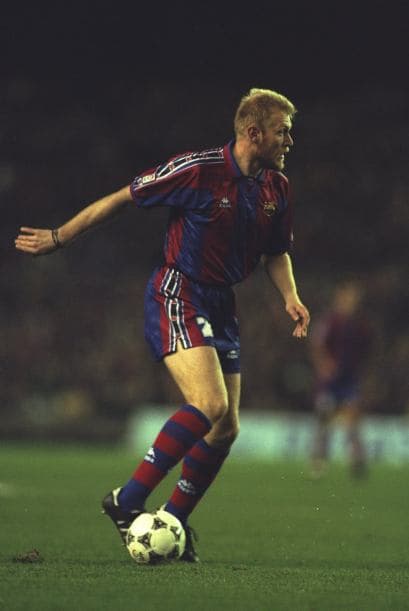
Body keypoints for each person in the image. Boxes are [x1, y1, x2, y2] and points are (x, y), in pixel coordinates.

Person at [15, 88, 310, 562]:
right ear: (254, 133)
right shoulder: (197, 170)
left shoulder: (277, 187)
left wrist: (290, 296)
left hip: (221, 302)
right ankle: (127, 500)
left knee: (226, 428)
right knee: (209, 404)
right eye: (283, 132)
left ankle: (173, 518)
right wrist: (59, 236)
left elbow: (277, 252)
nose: (289, 141)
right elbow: (123, 198)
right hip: (179, 290)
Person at [309, 279, 371, 478]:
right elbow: (317, 345)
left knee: (352, 418)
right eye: (347, 297)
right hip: (329, 381)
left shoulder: (360, 324)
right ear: (339, 298)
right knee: (324, 419)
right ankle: (319, 461)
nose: (351, 301)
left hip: (348, 379)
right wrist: (323, 365)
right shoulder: (330, 321)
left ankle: (356, 460)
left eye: (354, 298)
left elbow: (366, 351)